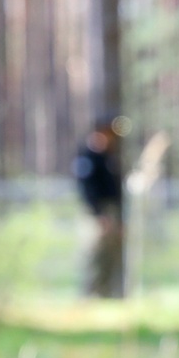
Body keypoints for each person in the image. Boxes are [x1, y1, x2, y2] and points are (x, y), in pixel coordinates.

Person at [72, 116, 124, 297]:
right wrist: (98, 213)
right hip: (96, 214)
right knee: (94, 253)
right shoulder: (88, 157)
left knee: (111, 255)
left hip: (110, 212)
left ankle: (106, 292)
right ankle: (90, 293)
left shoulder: (107, 157)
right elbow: (86, 189)